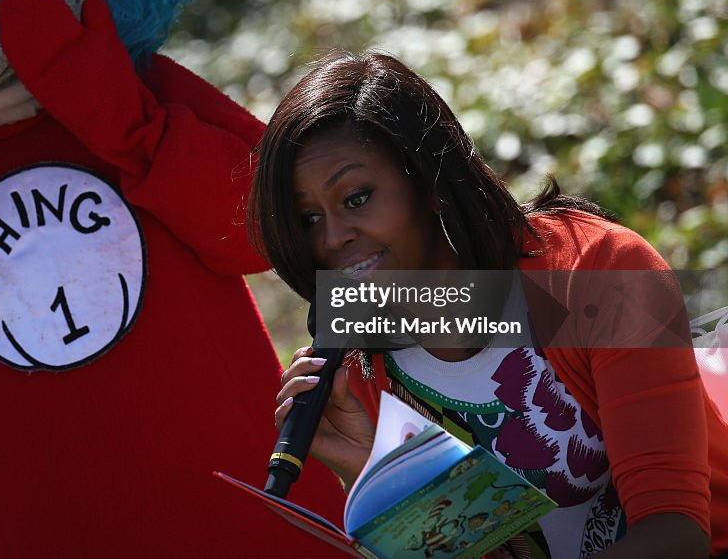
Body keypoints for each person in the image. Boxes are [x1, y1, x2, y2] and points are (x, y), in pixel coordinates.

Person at [248, 49, 728, 558]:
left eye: (357, 198)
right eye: (308, 219)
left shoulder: (600, 271)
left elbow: (677, 534)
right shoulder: (365, 362)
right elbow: (479, 547)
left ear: (430, 180)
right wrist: (370, 461)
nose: (334, 238)